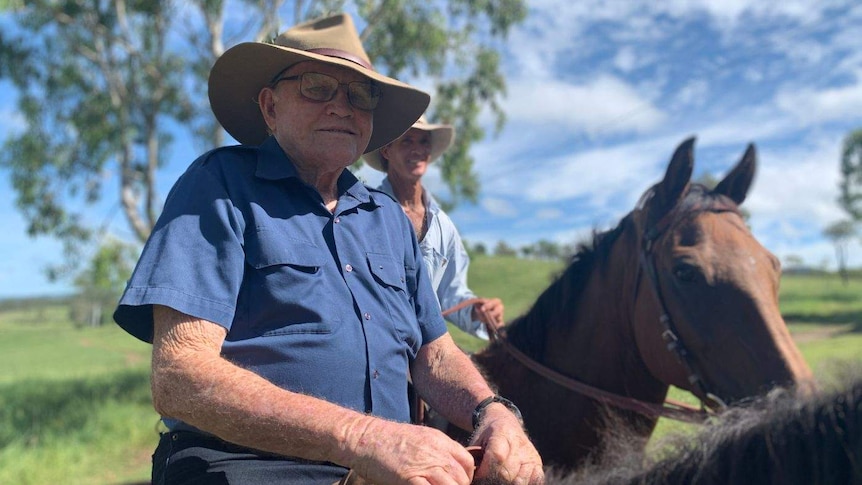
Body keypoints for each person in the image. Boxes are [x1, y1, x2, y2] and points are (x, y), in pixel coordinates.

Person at [112, 12, 543, 485]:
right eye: (318, 86)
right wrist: (362, 438)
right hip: (245, 467)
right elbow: (179, 377)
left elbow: (434, 356)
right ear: (270, 107)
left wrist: (495, 413)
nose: (342, 106)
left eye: (360, 95)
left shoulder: (387, 219)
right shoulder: (220, 185)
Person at [363, 117, 504, 340]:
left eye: (423, 142)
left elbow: (451, 292)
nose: (418, 150)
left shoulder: (443, 224)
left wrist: (478, 311)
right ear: (387, 151)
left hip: (429, 348)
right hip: (377, 348)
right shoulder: (365, 214)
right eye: (407, 141)